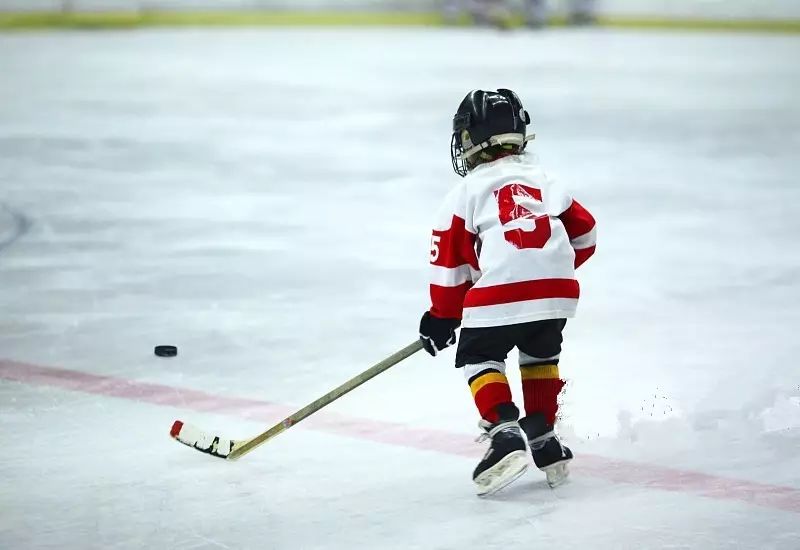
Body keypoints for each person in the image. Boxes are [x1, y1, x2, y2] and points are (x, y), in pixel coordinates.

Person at [418, 89, 596, 496]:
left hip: (499, 295)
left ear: (471, 140)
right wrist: (550, 268)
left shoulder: (466, 192)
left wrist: (442, 316)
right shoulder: (546, 179)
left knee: (481, 355)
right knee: (540, 354)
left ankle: (504, 433)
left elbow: (448, 262)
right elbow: (585, 233)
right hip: (555, 294)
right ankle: (543, 437)